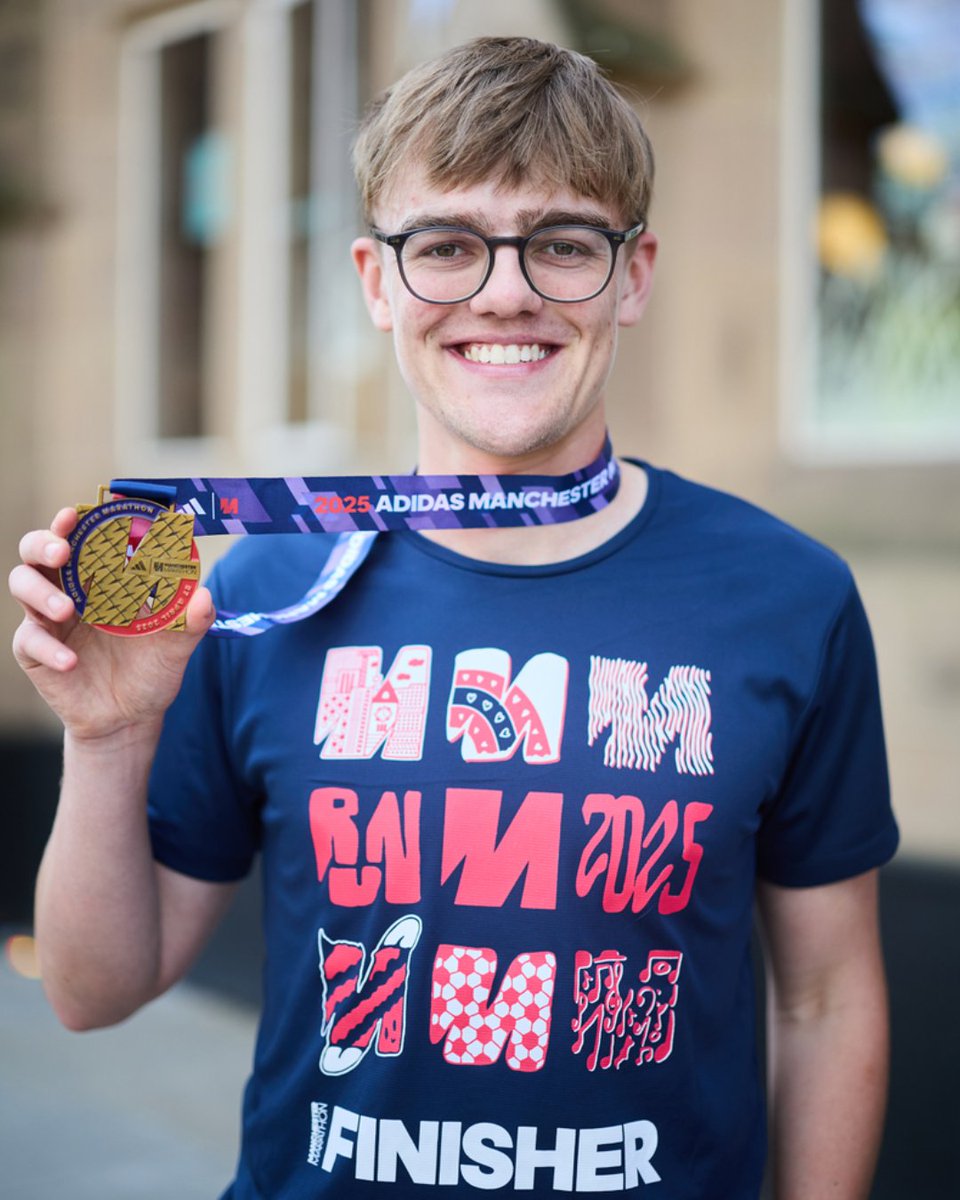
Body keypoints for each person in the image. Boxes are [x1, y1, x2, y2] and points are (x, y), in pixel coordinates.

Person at [10, 35, 897, 1199]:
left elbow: (825, 998)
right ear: (377, 283)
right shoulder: (262, 590)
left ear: (633, 276)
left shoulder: (787, 596)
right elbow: (91, 993)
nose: (505, 292)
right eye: (446, 246)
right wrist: (107, 737)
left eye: (564, 243)